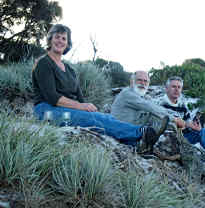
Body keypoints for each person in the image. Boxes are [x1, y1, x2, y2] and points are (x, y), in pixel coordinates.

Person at [32, 24, 168, 152]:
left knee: (106, 118)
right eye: (57, 37)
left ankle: (137, 144)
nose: (60, 41)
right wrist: (81, 107)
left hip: (68, 108)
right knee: (91, 120)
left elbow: (79, 97)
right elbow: (52, 97)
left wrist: (85, 107)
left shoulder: (69, 69)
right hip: (47, 112)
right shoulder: (44, 63)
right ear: (50, 40)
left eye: (64, 38)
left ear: (67, 43)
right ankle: (141, 132)